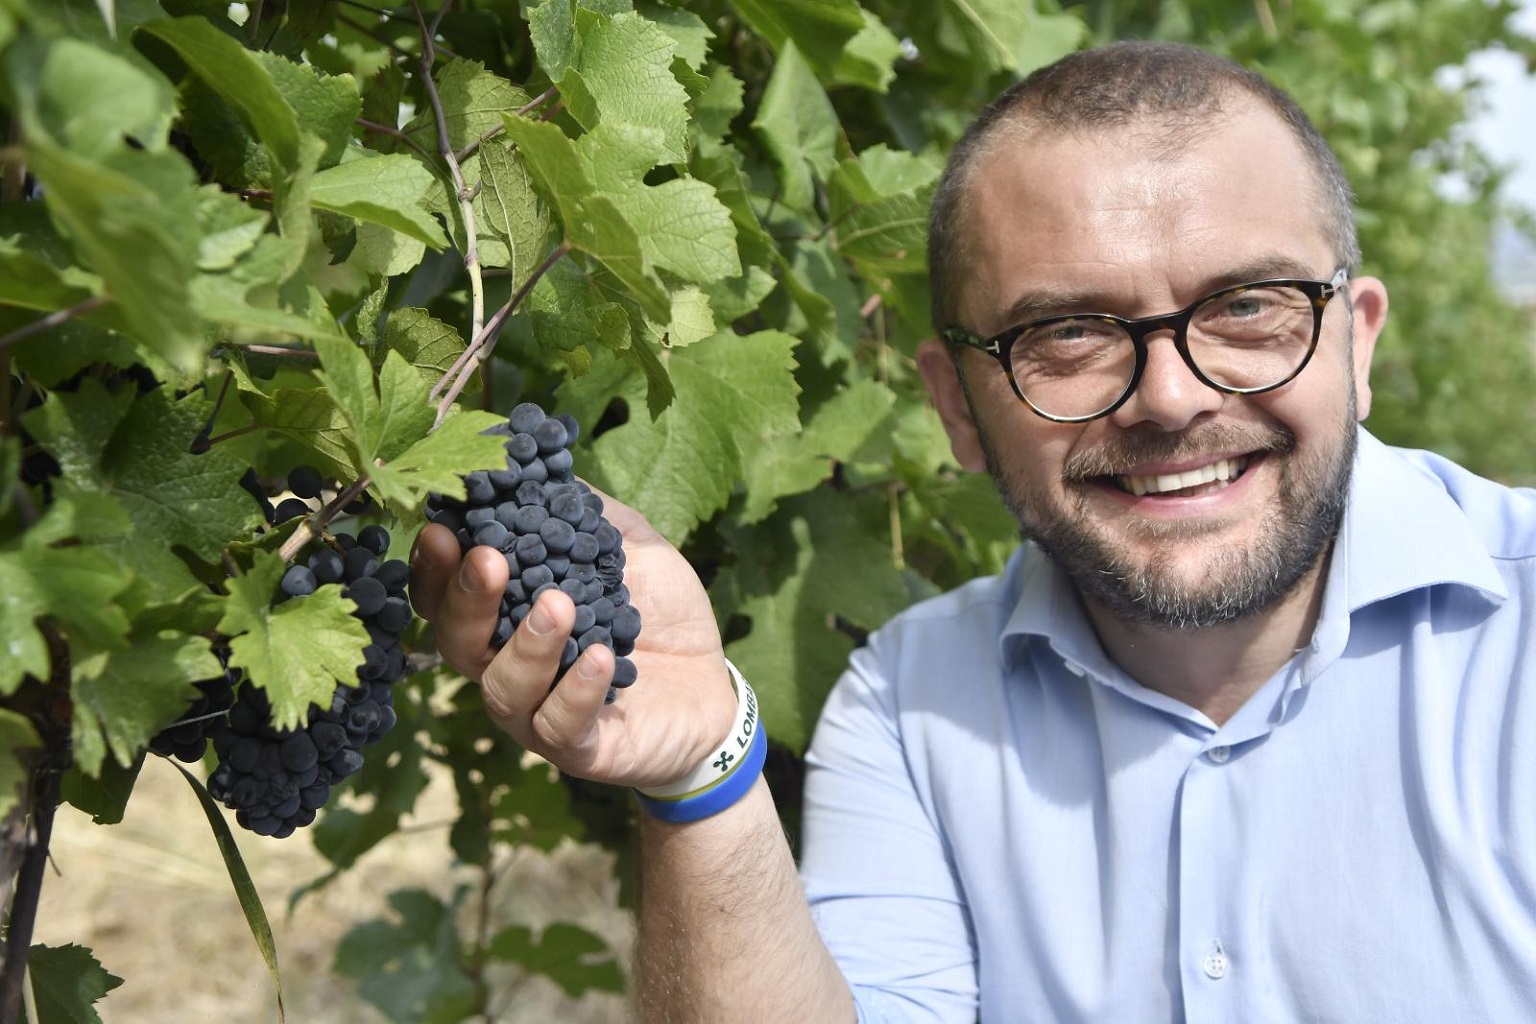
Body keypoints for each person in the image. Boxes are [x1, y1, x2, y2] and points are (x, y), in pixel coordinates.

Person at [409, 40, 1536, 1023]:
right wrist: (701, 777)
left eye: (1247, 308)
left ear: (1360, 342)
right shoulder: (908, 704)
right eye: (1069, 334)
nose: (1173, 397)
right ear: (954, 407)